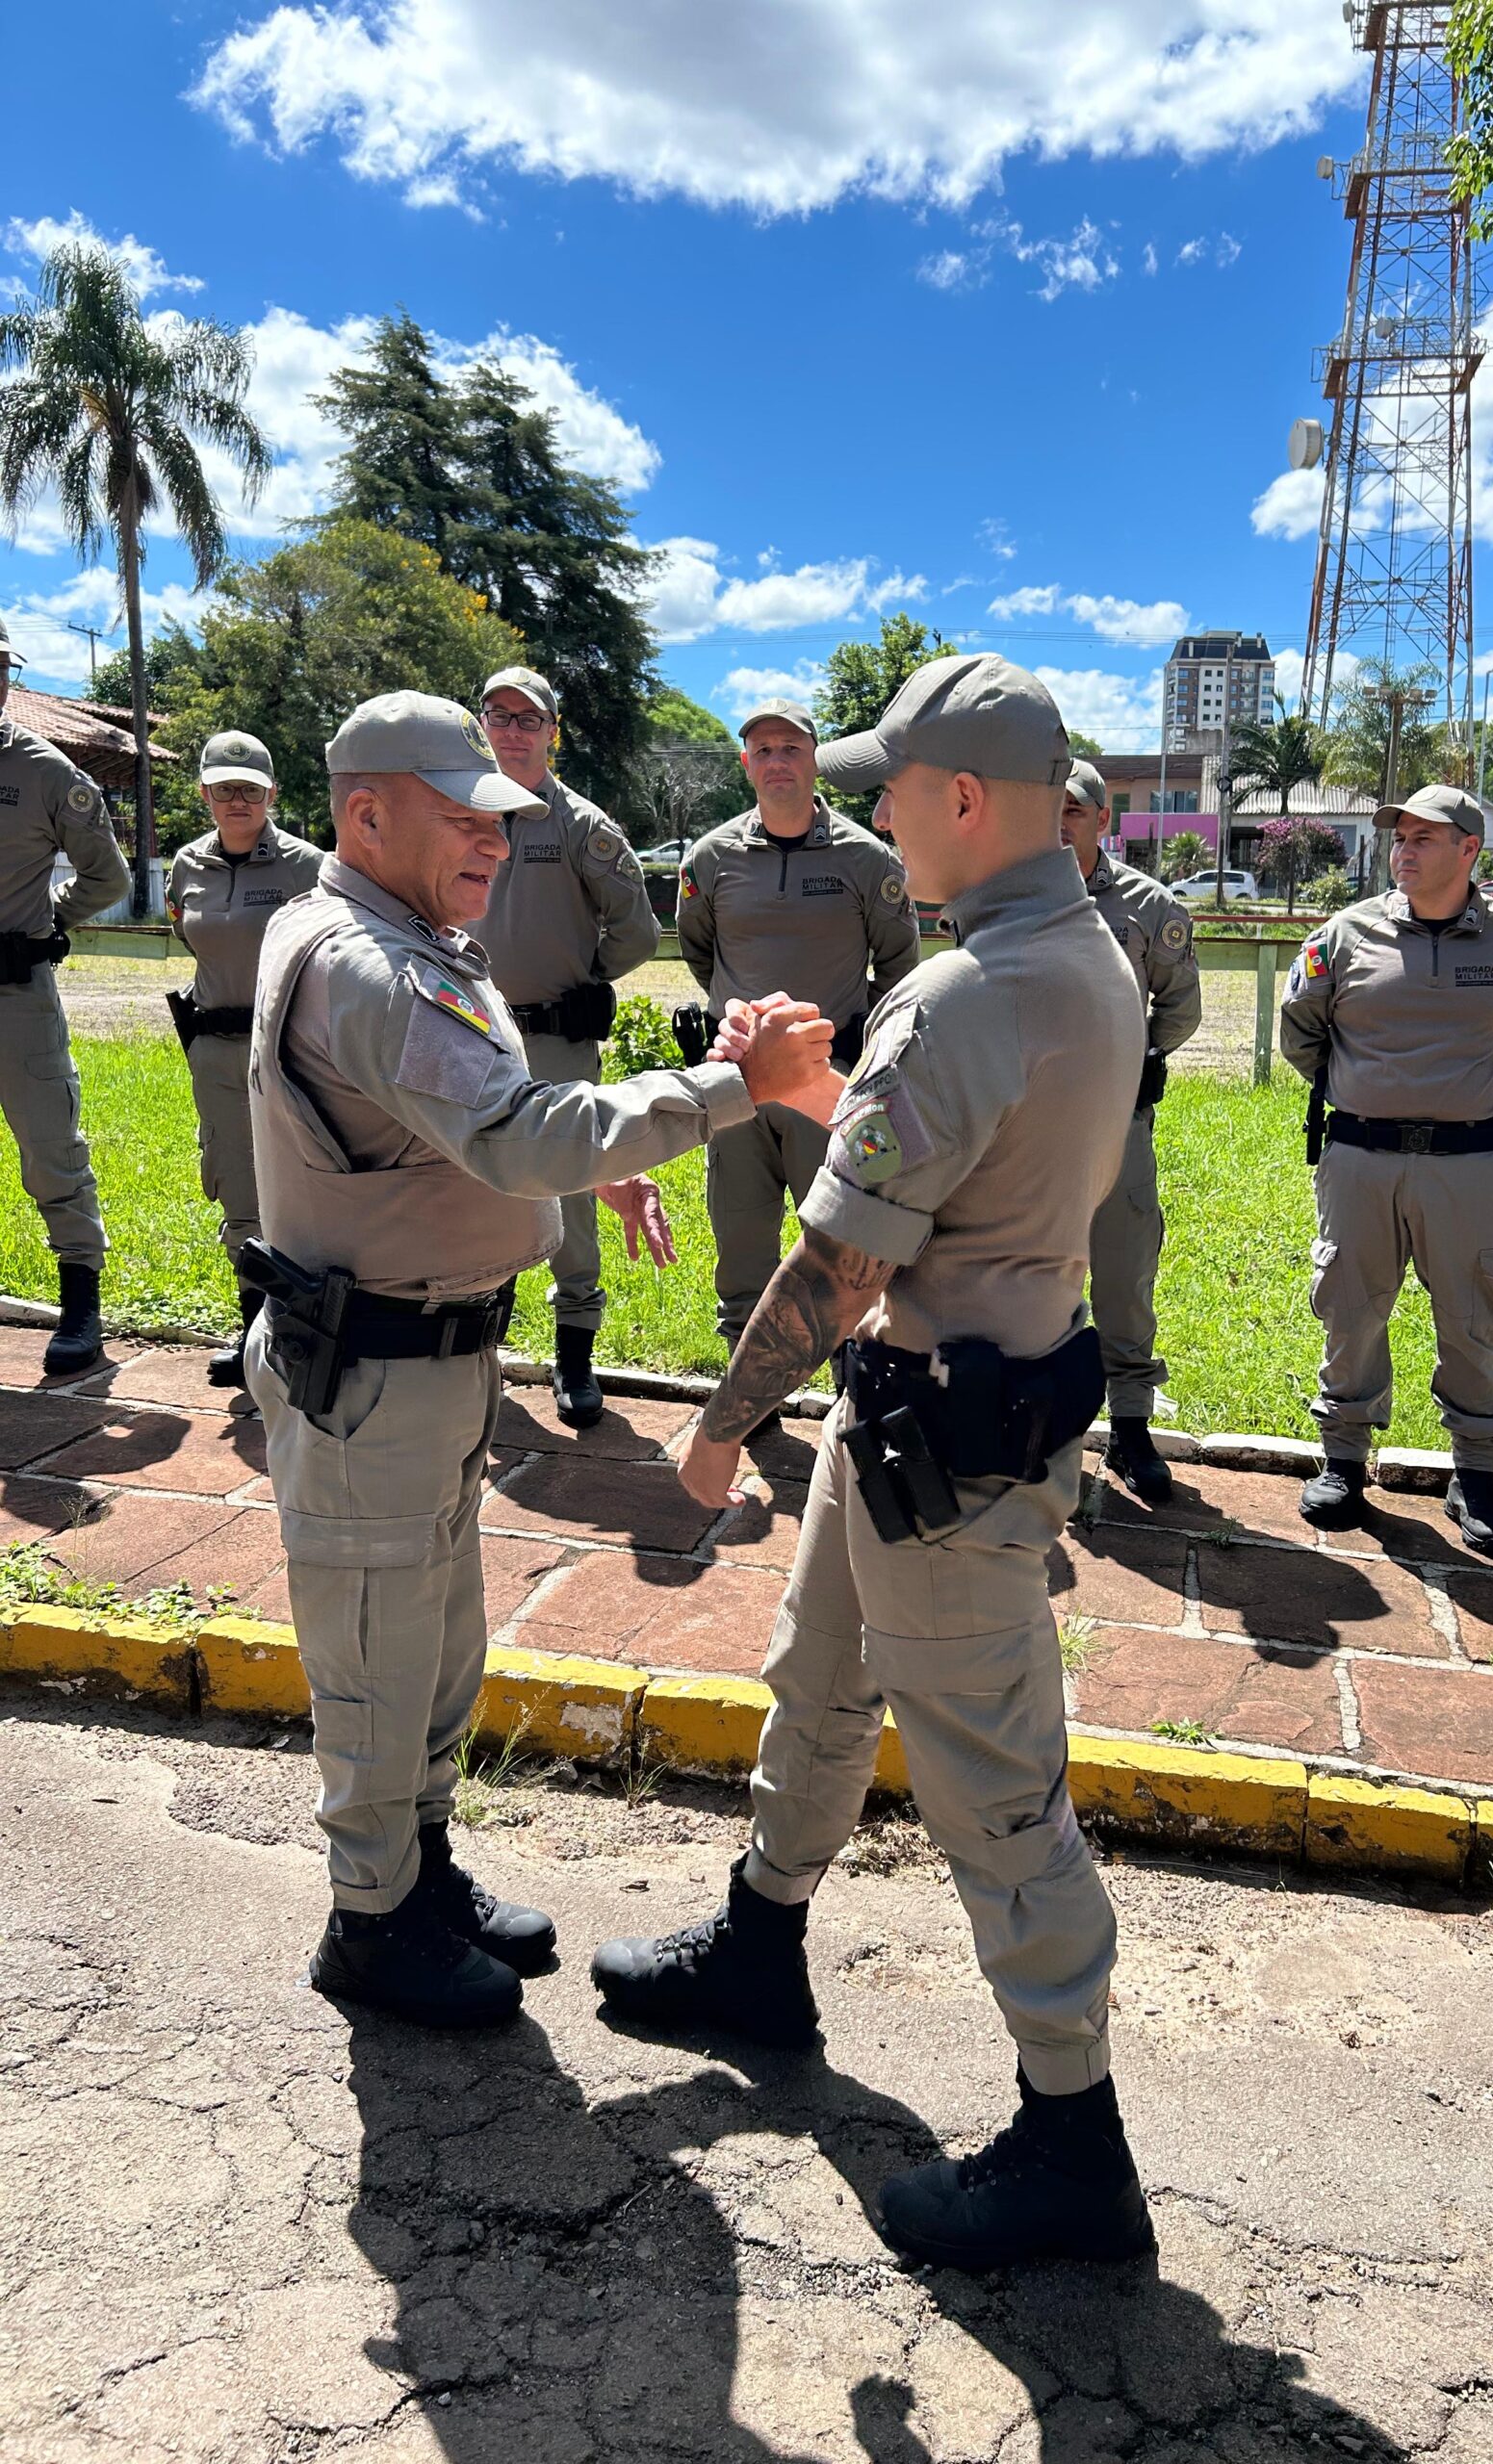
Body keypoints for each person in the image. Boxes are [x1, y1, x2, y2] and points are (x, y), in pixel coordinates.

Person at [592, 654, 1156, 2272]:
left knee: (993, 1786)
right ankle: (761, 1950)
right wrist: (829, 1091)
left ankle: (1075, 2143)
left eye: (889, 785)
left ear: (965, 798)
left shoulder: (976, 987)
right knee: (819, 1676)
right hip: (941, 1403)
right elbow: (946, 1171)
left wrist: (711, 1441)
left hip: (944, 1443)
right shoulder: (1076, 950)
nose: (869, 808)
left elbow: (835, 1264)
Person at [245, 691, 835, 2031]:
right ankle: (371, 1924)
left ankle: (418, 1872)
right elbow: (510, 1132)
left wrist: (594, 1175)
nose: (496, 840)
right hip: (376, 1370)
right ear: (366, 813)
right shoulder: (369, 961)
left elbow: (472, 1127)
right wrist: (743, 1088)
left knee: (438, 1645)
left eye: (502, 818)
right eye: (462, 816)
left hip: (429, 1363)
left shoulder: (403, 934)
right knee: (379, 1658)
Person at [1279, 783, 1493, 1554]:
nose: (1402, 851)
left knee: (1475, 1313)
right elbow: (1301, 1034)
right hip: (1360, 1158)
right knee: (1349, 1302)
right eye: (1398, 837)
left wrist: (1468, 1102)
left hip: (1469, 1165)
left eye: (1422, 839)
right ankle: (1344, 1458)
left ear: (1470, 850)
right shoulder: (1344, 936)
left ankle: (1474, 1473)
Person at [677, 698, 918, 1358]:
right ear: (745, 763)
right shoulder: (710, 858)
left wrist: (848, 1035)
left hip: (828, 1086)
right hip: (740, 1087)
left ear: (815, 759)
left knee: (841, 1245)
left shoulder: (867, 860)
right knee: (741, 1240)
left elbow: (899, 962)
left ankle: (850, 1389)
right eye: (763, 750)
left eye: (791, 748)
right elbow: (702, 953)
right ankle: (746, 1394)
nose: (777, 761)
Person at [475, 664, 660, 1429]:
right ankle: (475, 1346)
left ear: (552, 732)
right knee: (473, 1187)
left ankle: (574, 1353)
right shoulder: (456, 809)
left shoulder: (583, 826)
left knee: (570, 1193)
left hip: (555, 1039)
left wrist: (591, 980)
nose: (514, 731)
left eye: (530, 719)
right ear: (481, 723)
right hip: (474, 1032)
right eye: (499, 715)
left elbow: (640, 929)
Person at [1060, 759, 1202, 1502]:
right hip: (1025, 1127)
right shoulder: (1002, 897)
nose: (1059, 822)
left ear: (1103, 820)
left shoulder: (1148, 906)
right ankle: (1038, 1422)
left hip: (1116, 1124)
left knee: (1122, 1271)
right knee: (1025, 1273)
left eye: (1075, 811)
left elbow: (1180, 1003)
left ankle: (1132, 1426)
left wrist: (1143, 1054)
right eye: (1047, 807)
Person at [165, 731, 322, 1384]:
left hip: (288, 1049)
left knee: (301, 1182)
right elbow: (186, 930)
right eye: (224, 787)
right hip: (214, 1048)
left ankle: (302, 1326)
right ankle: (254, 1325)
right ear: (203, 793)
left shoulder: (306, 866)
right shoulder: (187, 865)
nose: (237, 799)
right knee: (235, 1181)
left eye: (249, 788)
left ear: (271, 795)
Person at [0, 612, 131, 1374]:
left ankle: (81, 1305)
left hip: (16, 993)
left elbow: (108, 877)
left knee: (52, 1149)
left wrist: (50, 922)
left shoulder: (47, 772)